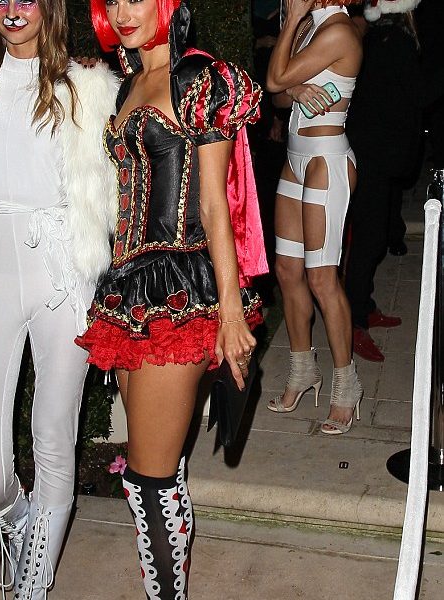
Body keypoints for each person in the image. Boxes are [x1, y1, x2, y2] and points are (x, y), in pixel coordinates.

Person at [0, 0, 118, 597]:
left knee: (54, 434)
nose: (13, 10)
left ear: (49, 8)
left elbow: (113, 183)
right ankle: (23, 522)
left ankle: (35, 580)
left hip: (64, 270)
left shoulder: (86, 86)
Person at [77, 1, 266, 597]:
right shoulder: (125, 84)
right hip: (129, 291)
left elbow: (215, 204)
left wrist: (231, 313)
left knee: (149, 478)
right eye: (113, 0)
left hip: (181, 288)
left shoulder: (198, 78)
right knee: (154, 473)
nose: (123, 12)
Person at [265, 0, 364, 434]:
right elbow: (278, 94)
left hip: (327, 162)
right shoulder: (310, 26)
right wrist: (298, 90)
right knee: (288, 271)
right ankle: (303, 370)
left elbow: (275, 77)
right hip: (295, 159)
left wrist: (289, 22)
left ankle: (347, 384)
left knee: (322, 278)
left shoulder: (337, 30)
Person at [344, 0, 423, 362]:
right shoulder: (393, 40)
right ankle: (353, 323)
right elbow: (412, 95)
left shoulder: (386, 37)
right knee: (368, 241)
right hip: (372, 155)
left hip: (378, 154)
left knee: (372, 236)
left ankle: (364, 306)